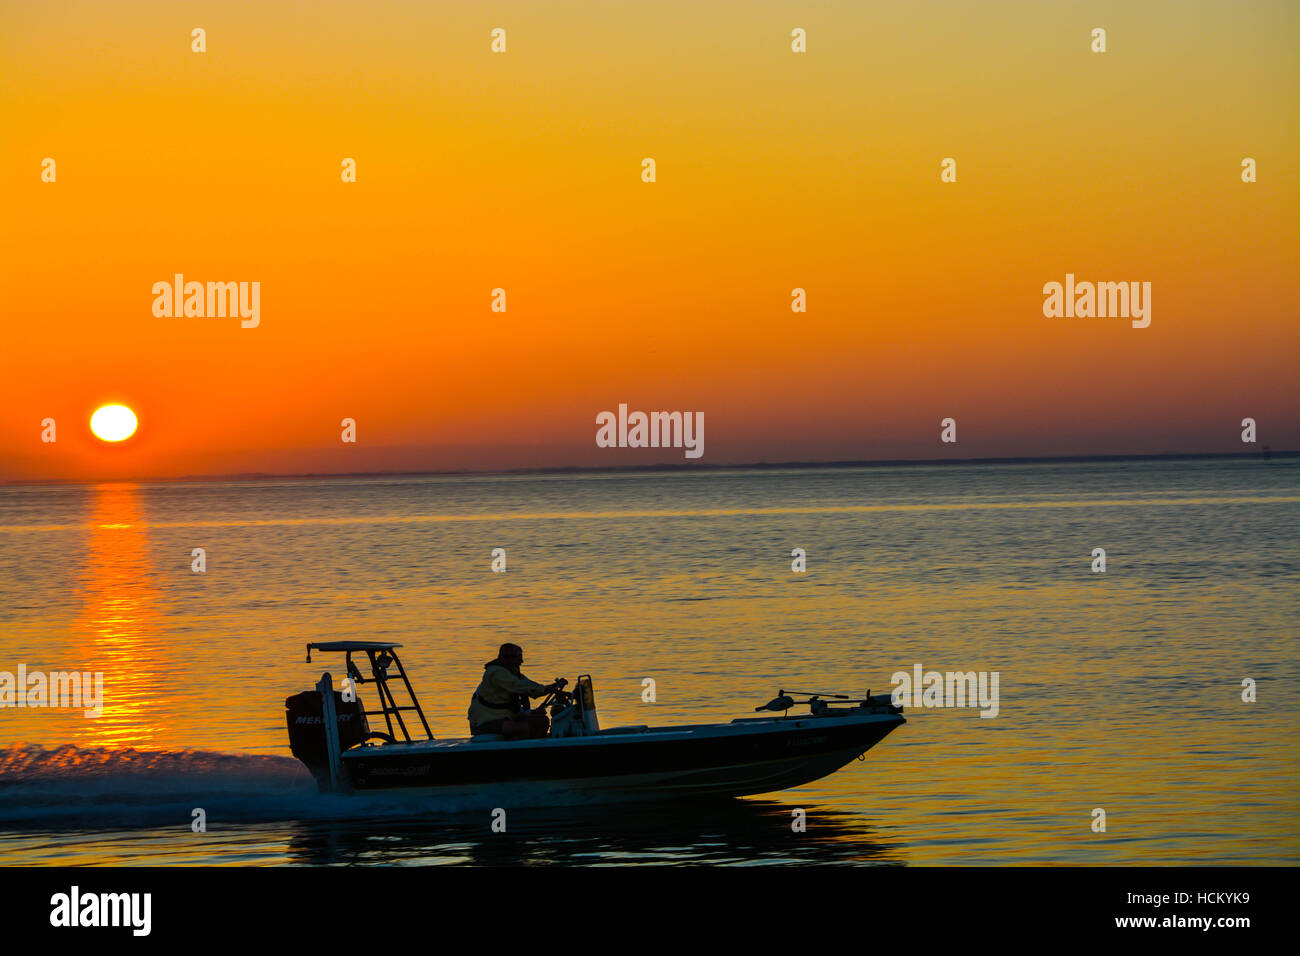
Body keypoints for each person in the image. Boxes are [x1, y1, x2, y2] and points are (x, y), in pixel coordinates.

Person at [468, 643, 564, 739]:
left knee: (541, 720)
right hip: (485, 722)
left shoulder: (511, 673)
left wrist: (552, 687)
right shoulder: (496, 672)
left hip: (501, 717)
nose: (522, 661)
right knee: (529, 726)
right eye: (519, 658)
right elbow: (519, 686)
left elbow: (530, 688)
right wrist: (545, 689)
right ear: (509, 658)